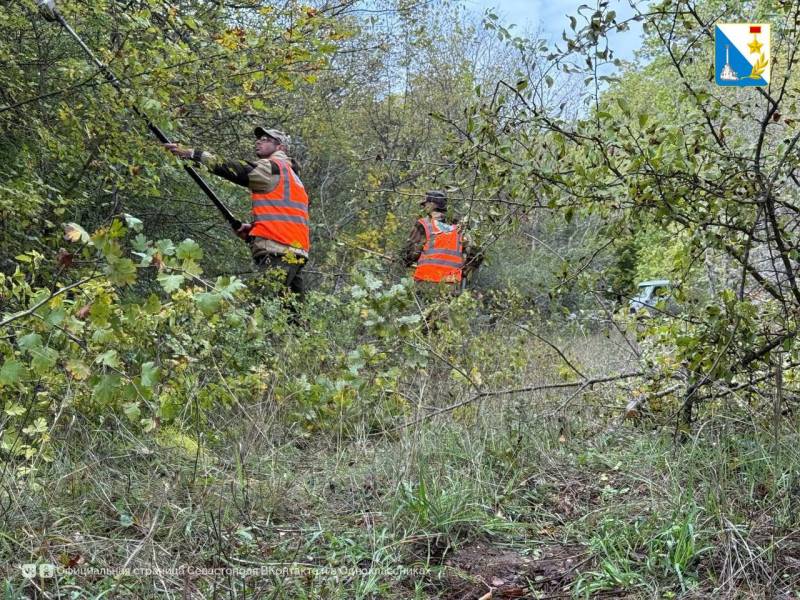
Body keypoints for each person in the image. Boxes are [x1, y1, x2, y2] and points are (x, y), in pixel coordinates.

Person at [164, 127, 309, 303]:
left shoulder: (273, 168)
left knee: (258, 312)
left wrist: (192, 154)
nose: (258, 141)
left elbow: (233, 169)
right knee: (293, 321)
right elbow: (286, 216)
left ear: (280, 148)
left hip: (277, 253)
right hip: (295, 253)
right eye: (259, 139)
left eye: (265, 139)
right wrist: (254, 230)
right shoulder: (293, 177)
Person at [403, 190, 480, 285]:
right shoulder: (460, 227)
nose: (423, 207)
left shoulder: (423, 225)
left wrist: (404, 262)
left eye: (425, 204)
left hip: (425, 283)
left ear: (432, 205)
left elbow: (408, 254)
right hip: (451, 285)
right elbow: (477, 253)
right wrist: (465, 271)